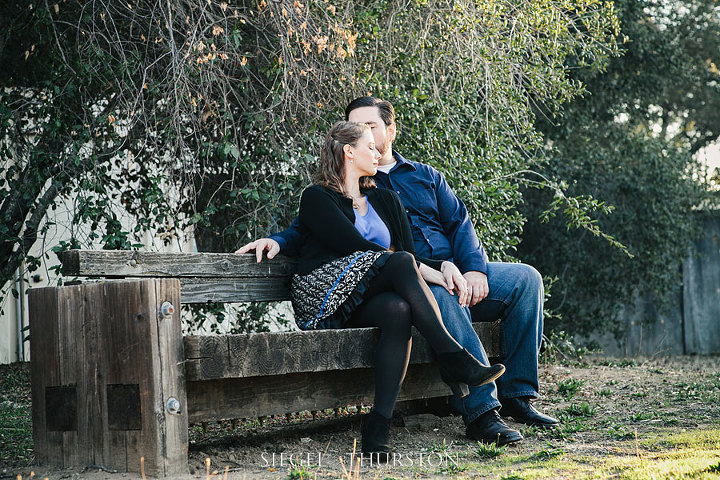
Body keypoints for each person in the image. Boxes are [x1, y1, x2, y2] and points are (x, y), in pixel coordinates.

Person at [238, 97, 558, 447]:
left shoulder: (423, 177)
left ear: (389, 130)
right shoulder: (344, 188)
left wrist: (471, 270)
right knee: (431, 291)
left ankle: (518, 395)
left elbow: (459, 223)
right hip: (405, 280)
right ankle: (482, 410)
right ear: (348, 147)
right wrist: (277, 240)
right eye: (360, 131)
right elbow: (312, 229)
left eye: (372, 127)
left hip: (440, 269)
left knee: (526, 279)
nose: (369, 138)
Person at [282, 121, 504, 459]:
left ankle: (378, 424)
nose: (377, 152)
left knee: (399, 311)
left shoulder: (385, 199)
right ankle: (453, 355)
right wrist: (415, 267)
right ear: (348, 151)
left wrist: (443, 268)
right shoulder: (317, 197)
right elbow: (353, 246)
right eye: (369, 146)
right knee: (397, 262)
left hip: (369, 293)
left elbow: (409, 256)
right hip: (326, 294)